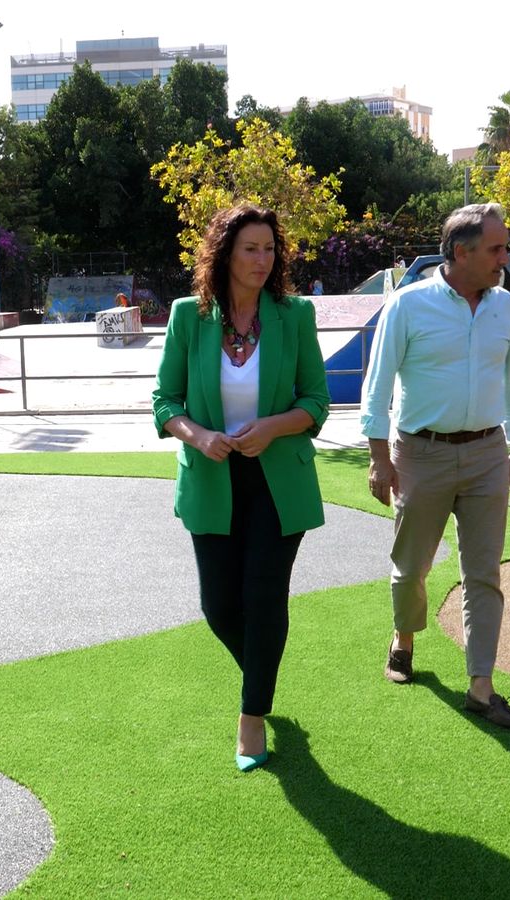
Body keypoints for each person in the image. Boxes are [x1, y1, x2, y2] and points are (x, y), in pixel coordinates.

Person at [152, 204, 331, 772]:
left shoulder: (294, 315)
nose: (262, 259)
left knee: (263, 597)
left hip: (279, 483)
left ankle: (252, 717)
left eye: (270, 249)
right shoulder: (188, 316)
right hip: (211, 476)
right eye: (250, 248)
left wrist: (273, 427)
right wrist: (198, 435)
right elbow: (165, 403)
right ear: (225, 253)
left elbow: (316, 402)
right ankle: (261, 672)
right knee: (219, 606)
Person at [360, 202, 510, 730]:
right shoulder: (408, 305)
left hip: (487, 453)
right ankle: (404, 637)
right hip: (421, 453)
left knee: (484, 573)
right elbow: (378, 382)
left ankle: (481, 686)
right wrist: (378, 459)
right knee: (411, 565)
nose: (507, 256)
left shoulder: (503, 305)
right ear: (461, 252)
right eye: (497, 248)